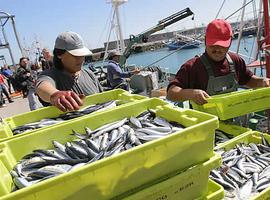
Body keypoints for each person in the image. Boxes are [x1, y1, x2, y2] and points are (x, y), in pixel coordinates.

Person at [167, 19, 270, 105]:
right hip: (205, 124)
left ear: (230, 42)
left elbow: (248, 79)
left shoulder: (235, 61)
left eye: (222, 45)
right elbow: (171, 93)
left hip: (234, 122)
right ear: (205, 40)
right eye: (213, 44)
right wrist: (191, 93)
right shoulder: (192, 66)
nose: (217, 49)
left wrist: (262, 81)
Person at [36, 31, 103, 112]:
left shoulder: (89, 74)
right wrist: (55, 95)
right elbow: (42, 87)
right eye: (75, 55)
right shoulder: (50, 75)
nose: (81, 59)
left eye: (82, 55)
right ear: (59, 54)